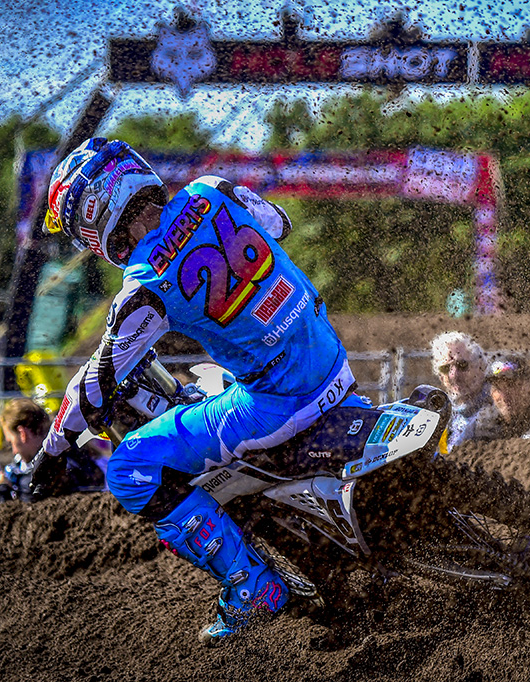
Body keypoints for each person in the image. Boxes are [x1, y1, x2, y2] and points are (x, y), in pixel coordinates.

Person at [33, 138, 355, 645]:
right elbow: (278, 224)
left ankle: (250, 584)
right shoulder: (212, 189)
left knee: (129, 469)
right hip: (332, 361)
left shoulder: (145, 284)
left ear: (96, 217)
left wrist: (51, 451)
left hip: (274, 402)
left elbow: (95, 388)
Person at [0, 398, 104, 503]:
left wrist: (0, 493)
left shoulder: (42, 477)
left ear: (22, 433)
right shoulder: (78, 453)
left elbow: (23, 516)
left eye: (11, 442)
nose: (14, 451)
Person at [430, 331, 493, 451]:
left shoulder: (498, 408)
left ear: (481, 367)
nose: (454, 375)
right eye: (445, 368)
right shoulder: (443, 415)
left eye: (462, 365)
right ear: (441, 377)